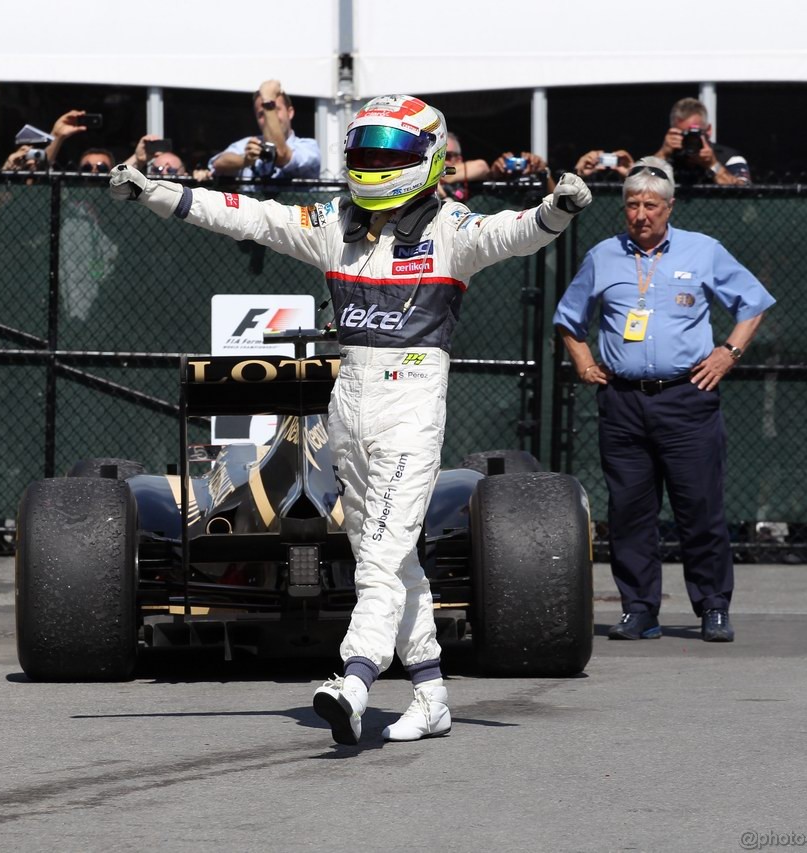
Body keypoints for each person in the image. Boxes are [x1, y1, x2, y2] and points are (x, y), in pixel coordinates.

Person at [110, 94, 591, 742]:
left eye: (385, 154)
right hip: (349, 408)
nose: (370, 164)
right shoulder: (334, 223)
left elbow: (514, 232)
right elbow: (248, 216)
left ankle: (354, 681)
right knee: (392, 561)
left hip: (411, 410)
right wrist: (157, 194)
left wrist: (556, 209)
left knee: (378, 561)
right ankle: (430, 692)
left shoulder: (451, 229)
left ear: (424, 158)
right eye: (362, 152)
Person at [553, 156, 774, 643]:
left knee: (700, 507)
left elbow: (752, 304)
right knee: (630, 511)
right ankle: (639, 608)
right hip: (624, 402)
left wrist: (728, 353)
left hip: (687, 397)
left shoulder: (703, 251)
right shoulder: (603, 256)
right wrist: (584, 362)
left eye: (651, 205)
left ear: (670, 207)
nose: (641, 214)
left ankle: (713, 606)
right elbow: (569, 318)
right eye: (632, 205)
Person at [207, 79, 320, 180]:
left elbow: (280, 154)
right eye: (261, 114)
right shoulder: (252, 143)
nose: (268, 117)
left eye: (275, 110)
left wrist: (268, 102)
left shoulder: (308, 147)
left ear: (290, 112)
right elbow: (217, 164)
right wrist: (245, 160)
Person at [651, 97, 750, 186]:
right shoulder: (667, 160)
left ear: (708, 130)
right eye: (683, 135)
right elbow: (637, 184)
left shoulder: (730, 158)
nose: (690, 140)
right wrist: (663, 154)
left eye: (694, 134)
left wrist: (712, 165)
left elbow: (744, 192)